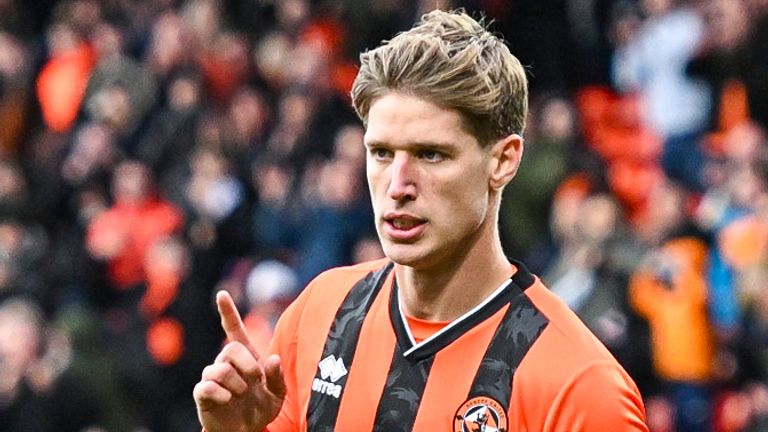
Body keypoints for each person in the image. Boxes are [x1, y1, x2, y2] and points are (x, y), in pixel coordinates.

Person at [193, 9, 648, 432]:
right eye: (382, 153)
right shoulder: (320, 314)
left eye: (431, 154)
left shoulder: (582, 389)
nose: (398, 184)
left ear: (503, 161)